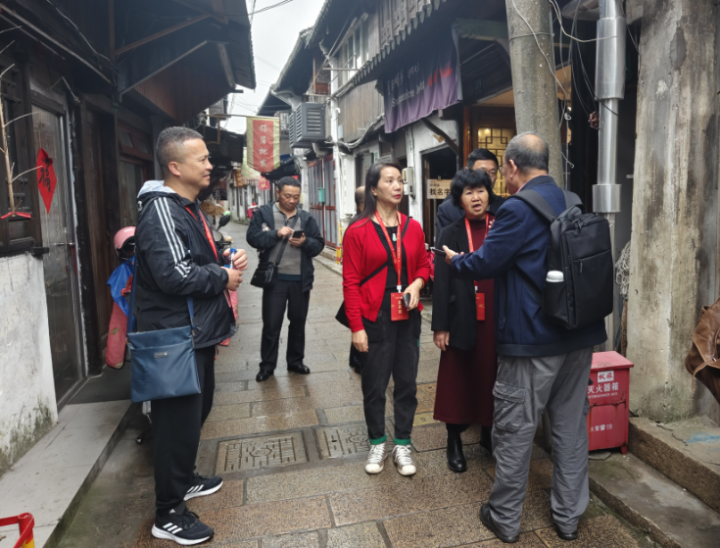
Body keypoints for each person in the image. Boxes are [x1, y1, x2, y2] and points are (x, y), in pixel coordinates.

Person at [443, 132, 606, 543]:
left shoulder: (516, 209)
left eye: (503, 170)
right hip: (579, 336)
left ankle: (504, 518)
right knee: (570, 429)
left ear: (513, 166)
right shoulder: (572, 200)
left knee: (514, 430)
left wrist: (456, 261)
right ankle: (568, 518)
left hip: (532, 341)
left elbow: (486, 262)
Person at [134, 127, 248, 545]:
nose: (210, 165)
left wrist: (224, 256)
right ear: (175, 166)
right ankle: (168, 512)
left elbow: (195, 257)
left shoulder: (188, 207)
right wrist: (223, 276)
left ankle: (184, 480)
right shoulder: (162, 210)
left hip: (195, 333)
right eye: (201, 159)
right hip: (175, 338)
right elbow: (175, 275)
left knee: (195, 415)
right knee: (175, 426)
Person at [343, 162, 430, 477]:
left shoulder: (413, 227)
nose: (397, 186)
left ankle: (403, 444)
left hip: (407, 315)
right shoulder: (357, 230)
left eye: (400, 181)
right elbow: (350, 282)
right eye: (389, 180)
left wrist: (417, 284)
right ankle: (377, 442)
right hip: (375, 316)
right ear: (373, 189)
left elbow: (424, 265)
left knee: (407, 383)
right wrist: (356, 328)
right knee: (375, 385)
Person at [432, 169, 497, 473]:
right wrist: (440, 325)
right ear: (459, 199)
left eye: (481, 190)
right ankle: (454, 440)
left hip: (497, 314)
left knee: (492, 374)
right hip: (461, 314)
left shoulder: (501, 225)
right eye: (468, 192)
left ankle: (488, 433)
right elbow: (442, 280)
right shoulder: (450, 232)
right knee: (457, 377)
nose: (476, 197)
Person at [246, 176, 324, 383]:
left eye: (296, 197)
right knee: (272, 324)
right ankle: (267, 366)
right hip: (275, 280)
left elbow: (318, 244)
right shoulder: (264, 214)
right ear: (278, 193)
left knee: (298, 323)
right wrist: (275, 234)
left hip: (300, 280)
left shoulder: (306, 218)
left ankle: (295, 362)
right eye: (287, 196)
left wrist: (305, 243)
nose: (292, 200)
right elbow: (252, 237)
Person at [435, 148, 502, 241]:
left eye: (492, 173)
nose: (487, 177)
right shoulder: (448, 209)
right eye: (481, 172)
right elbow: (443, 245)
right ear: (467, 172)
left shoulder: (504, 206)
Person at [349, 185, 366, 373]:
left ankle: (355, 360)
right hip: (363, 285)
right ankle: (358, 361)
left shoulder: (357, 220)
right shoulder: (358, 225)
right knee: (361, 326)